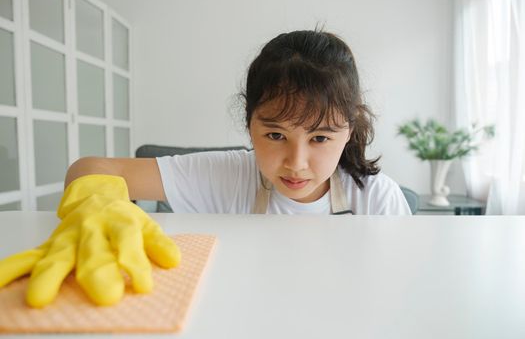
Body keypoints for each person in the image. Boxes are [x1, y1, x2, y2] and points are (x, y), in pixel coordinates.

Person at [0, 29, 410, 309]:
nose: (296, 162)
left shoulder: (377, 197)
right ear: (249, 124)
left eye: (320, 139)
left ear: (349, 130)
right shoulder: (227, 176)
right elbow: (90, 166)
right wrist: (97, 204)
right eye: (274, 136)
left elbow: (398, 295)